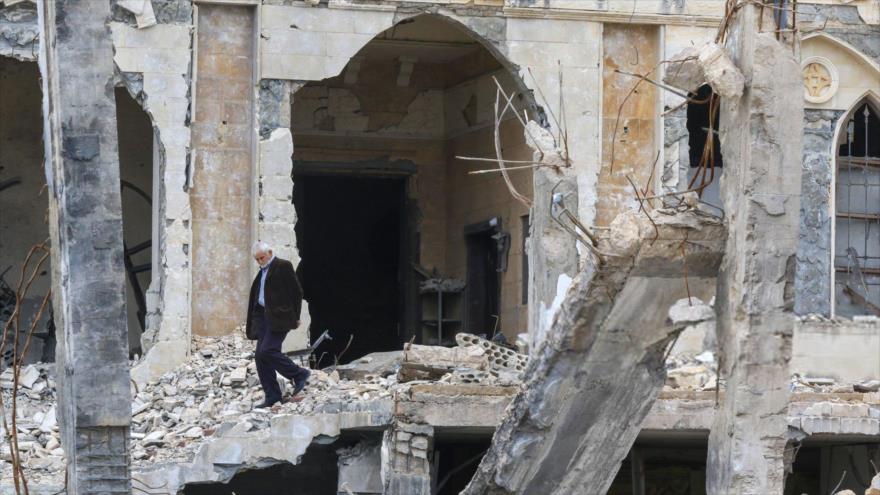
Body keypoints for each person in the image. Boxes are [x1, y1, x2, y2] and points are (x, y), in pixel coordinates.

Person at [245, 241, 311, 408]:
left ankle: (299, 374)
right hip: (265, 320)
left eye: (262, 257)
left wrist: (295, 316)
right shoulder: (261, 274)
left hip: (281, 318)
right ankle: (273, 397)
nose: (260, 261)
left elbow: (296, 292)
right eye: (257, 259)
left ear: (270, 252)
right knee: (260, 357)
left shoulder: (283, 266)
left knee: (268, 350)